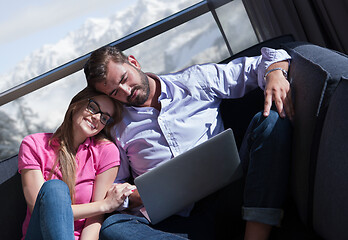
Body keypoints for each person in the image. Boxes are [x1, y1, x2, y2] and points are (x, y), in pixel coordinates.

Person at [84, 45, 293, 240]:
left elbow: (269, 60)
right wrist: (139, 195)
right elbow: (115, 189)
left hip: (233, 191)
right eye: (114, 92)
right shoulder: (116, 128)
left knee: (271, 122)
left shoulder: (194, 80)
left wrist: (275, 73)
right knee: (114, 228)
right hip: (179, 221)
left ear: (133, 62)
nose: (126, 91)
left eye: (124, 79)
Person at [18, 87, 136, 240]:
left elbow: (94, 219)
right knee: (55, 189)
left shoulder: (106, 151)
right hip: (40, 234)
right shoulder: (34, 145)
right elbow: (40, 210)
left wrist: (100, 208)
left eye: (104, 118)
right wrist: (105, 205)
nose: (97, 118)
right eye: (93, 107)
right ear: (76, 104)